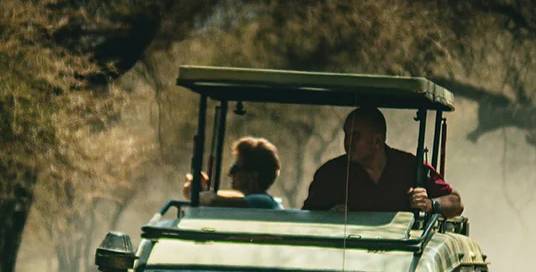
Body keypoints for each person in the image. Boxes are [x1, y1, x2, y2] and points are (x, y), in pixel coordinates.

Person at [302, 107, 463, 217]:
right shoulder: (330, 174)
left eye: (356, 136)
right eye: (347, 135)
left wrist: (430, 204)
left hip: (403, 252)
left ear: (377, 141)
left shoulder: (410, 166)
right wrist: (329, 215)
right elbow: (307, 217)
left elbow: (456, 202)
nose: (348, 142)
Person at [183, 136, 282, 209]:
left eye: (234, 169)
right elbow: (222, 198)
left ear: (253, 176)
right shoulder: (261, 203)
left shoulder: (263, 202)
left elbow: (213, 201)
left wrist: (194, 194)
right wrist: (203, 190)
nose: (230, 174)